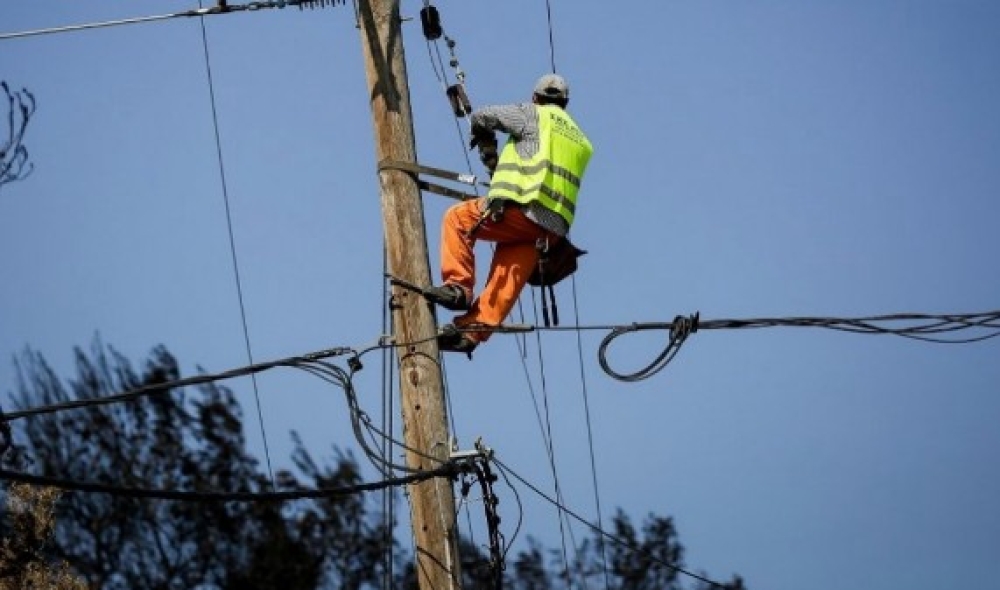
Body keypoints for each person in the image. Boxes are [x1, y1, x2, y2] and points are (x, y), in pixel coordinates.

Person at [424, 73, 594, 355]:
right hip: (551, 230)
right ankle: (471, 333)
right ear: (565, 103)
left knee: (457, 218)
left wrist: (487, 145)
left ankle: (458, 288)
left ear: (536, 97)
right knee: (508, 275)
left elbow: (483, 116)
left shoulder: (533, 113)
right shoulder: (581, 139)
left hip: (524, 210)